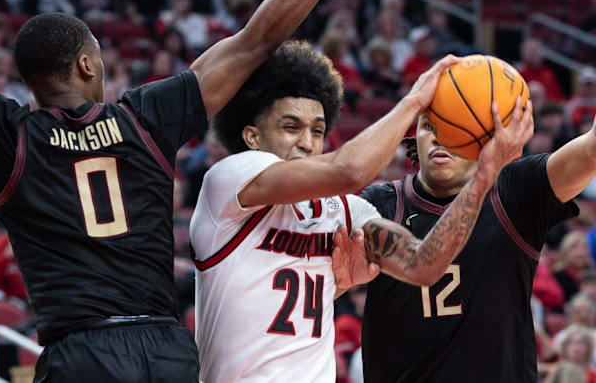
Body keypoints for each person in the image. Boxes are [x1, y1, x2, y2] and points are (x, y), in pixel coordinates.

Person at [0, 0, 341, 380]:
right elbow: (258, 38)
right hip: (165, 350)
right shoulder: (145, 117)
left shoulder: (12, 137)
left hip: (81, 352)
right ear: (87, 65)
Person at [191, 42, 531, 382]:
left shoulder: (346, 211)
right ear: (252, 136)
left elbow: (423, 265)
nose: (307, 143)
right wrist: (414, 102)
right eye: (291, 127)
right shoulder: (230, 181)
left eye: (318, 131)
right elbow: (350, 170)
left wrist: (484, 175)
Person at [358, 71, 592, 381]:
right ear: (415, 134)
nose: (441, 136)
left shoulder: (514, 191)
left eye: (457, 127)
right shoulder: (379, 204)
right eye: (430, 125)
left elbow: (589, 151)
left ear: (484, 137)